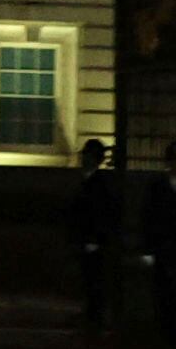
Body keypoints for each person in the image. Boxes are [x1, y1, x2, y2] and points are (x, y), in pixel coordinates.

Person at [70, 139, 125, 334]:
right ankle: (93, 316)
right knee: (91, 280)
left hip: (93, 242)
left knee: (93, 281)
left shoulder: (96, 184)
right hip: (89, 240)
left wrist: (93, 238)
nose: (84, 159)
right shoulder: (94, 182)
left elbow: (98, 213)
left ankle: (95, 317)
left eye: (87, 156)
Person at [143, 140, 176, 347]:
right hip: (164, 250)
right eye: (175, 162)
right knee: (164, 294)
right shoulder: (157, 188)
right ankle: (167, 333)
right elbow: (148, 218)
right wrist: (148, 249)